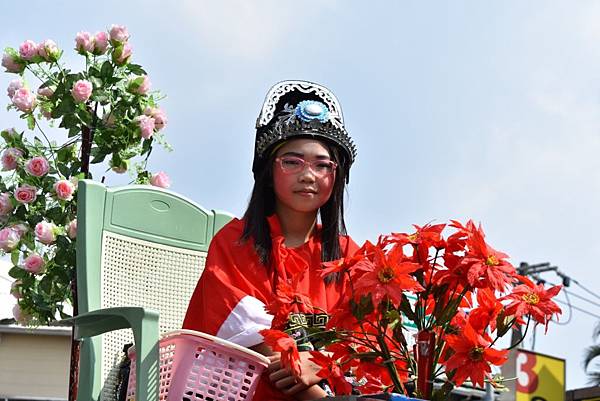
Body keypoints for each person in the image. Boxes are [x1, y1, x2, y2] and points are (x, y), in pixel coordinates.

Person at [183, 80, 359, 400]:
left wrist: (322, 364)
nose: (308, 175)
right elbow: (266, 351)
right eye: (292, 161)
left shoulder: (351, 257)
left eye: (323, 164)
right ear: (269, 171)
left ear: (336, 176)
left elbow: (373, 346)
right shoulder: (235, 243)